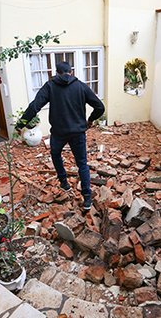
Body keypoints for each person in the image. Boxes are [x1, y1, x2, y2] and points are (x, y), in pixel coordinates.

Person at [15, 61, 105, 211]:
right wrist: (90, 120)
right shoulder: (81, 86)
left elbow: (34, 106)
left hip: (59, 133)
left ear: (56, 73)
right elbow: (100, 107)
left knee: (55, 154)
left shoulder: (50, 86)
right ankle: (87, 198)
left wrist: (20, 124)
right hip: (78, 132)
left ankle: (64, 182)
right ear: (72, 72)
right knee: (82, 163)